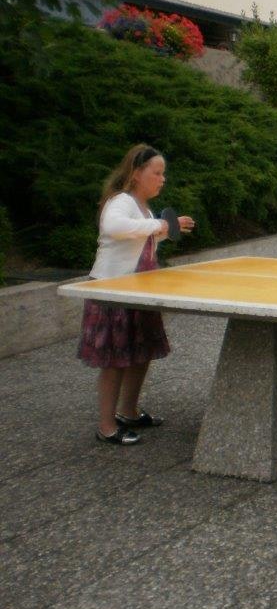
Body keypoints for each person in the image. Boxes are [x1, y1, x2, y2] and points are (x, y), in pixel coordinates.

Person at [78, 144, 195, 445]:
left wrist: (169, 228)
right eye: (156, 172)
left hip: (138, 291)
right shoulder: (121, 201)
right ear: (136, 173)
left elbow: (142, 238)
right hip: (112, 291)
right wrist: (161, 224)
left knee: (141, 353)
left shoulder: (145, 209)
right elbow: (114, 226)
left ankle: (128, 412)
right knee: (114, 360)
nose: (162, 178)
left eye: (163, 174)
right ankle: (106, 427)